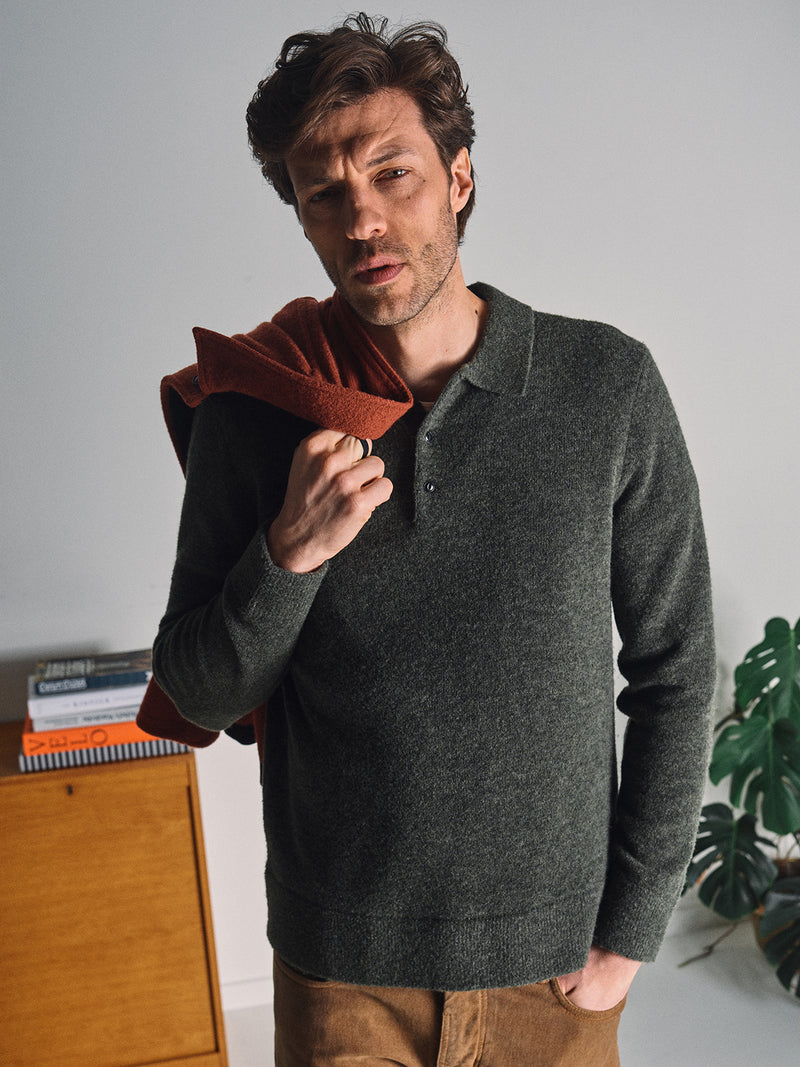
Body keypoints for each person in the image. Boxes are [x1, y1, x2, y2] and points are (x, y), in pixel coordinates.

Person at [149, 13, 715, 1065]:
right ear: (304, 222)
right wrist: (289, 551)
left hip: (555, 978)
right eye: (324, 193)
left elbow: (676, 669)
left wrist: (626, 939)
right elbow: (196, 690)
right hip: (342, 978)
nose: (361, 216)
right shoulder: (257, 410)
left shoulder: (604, 387)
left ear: (456, 178)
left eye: (391, 172)